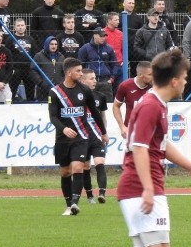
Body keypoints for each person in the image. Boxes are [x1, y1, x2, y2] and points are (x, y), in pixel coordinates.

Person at [76, 48, 191, 247]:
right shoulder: (150, 106)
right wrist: (149, 189)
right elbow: (138, 148)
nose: (186, 81)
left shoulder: (156, 104)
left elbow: (160, 146)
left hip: (140, 185)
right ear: (174, 80)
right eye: (184, 77)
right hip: (141, 186)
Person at [49, 58, 103, 216]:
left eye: (81, 71)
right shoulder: (55, 92)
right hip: (62, 139)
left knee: (78, 167)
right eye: (78, 71)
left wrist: (103, 132)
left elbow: (94, 112)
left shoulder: (84, 91)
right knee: (65, 172)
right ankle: (68, 204)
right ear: (68, 72)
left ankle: (74, 203)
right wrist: (64, 128)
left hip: (81, 136)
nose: (81, 73)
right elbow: (53, 117)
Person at [78, 68, 110, 204]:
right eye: (91, 78)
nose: (95, 81)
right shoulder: (76, 96)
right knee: (85, 167)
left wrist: (104, 132)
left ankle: (102, 193)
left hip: (97, 137)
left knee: (100, 163)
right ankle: (90, 195)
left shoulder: (100, 97)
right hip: (83, 137)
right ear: (83, 80)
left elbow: (103, 117)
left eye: (95, 78)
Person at [77, 27, 120, 103]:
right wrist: (83, 78)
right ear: (95, 35)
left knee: (107, 104)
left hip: (105, 81)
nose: (103, 38)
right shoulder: (85, 48)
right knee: (89, 104)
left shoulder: (109, 48)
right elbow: (80, 65)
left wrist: (112, 78)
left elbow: (115, 64)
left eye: (104, 36)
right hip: (90, 80)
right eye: (101, 36)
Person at [113, 61, 153, 139]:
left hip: (150, 131)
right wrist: (122, 126)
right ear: (141, 75)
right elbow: (116, 106)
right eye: (150, 74)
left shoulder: (155, 87)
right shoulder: (125, 86)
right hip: (131, 131)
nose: (153, 77)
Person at [5, 18, 35, 102]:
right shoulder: (10, 39)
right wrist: (11, 68)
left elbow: (35, 53)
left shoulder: (30, 39)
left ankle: (30, 107)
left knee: (30, 92)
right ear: (14, 27)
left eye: (22, 25)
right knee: (12, 92)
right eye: (18, 25)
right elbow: (7, 55)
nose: (20, 27)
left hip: (28, 69)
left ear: (25, 27)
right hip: (15, 69)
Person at [32, 37, 65, 101]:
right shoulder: (39, 56)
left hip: (58, 88)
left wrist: (62, 81)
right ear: (47, 44)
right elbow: (33, 70)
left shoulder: (61, 57)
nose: (54, 46)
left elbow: (64, 71)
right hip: (43, 89)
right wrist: (41, 82)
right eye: (51, 44)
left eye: (55, 44)